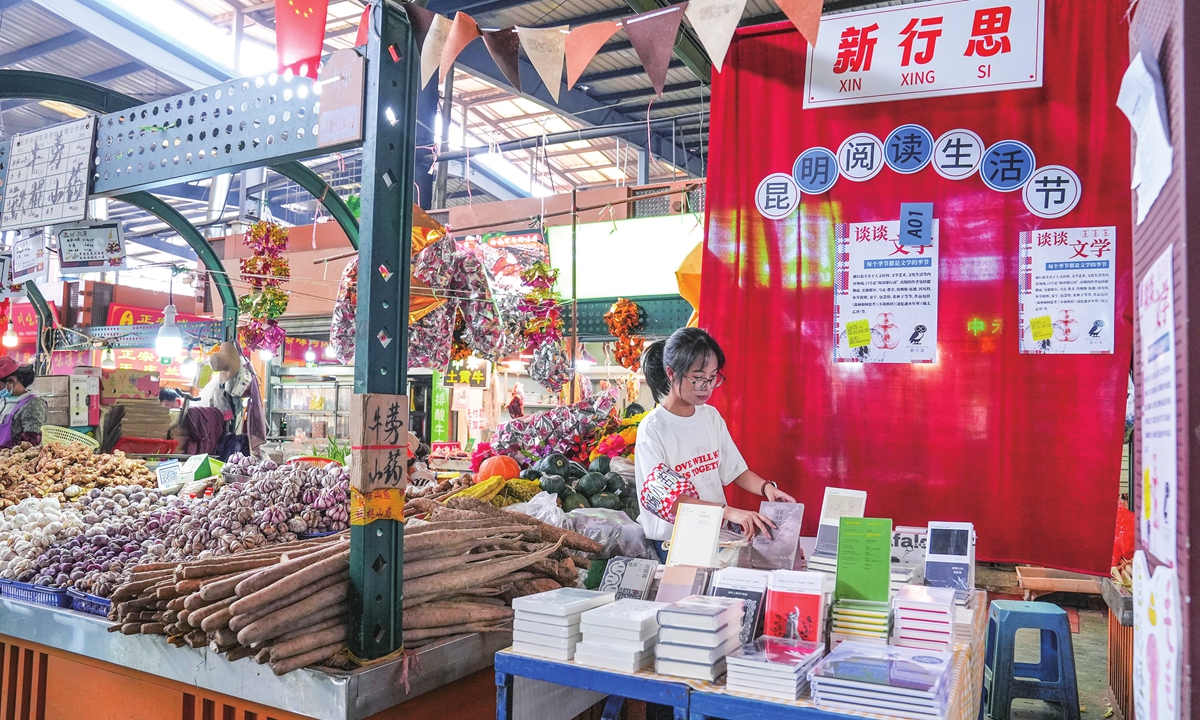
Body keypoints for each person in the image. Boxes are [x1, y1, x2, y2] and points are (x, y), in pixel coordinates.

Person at [635, 328, 796, 561]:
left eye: (712, 378)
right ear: (671, 373)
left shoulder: (710, 417)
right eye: (698, 378)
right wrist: (728, 512)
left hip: (714, 533)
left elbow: (735, 469)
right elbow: (670, 500)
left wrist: (766, 488)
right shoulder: (654, 428)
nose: (707, 387)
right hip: (673, 541)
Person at [0, 358, 46, 448]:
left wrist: (5, 451)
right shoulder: (3, 399)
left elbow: (31, 442)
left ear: (11, 381)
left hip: (12, 459)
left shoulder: (33, 404)